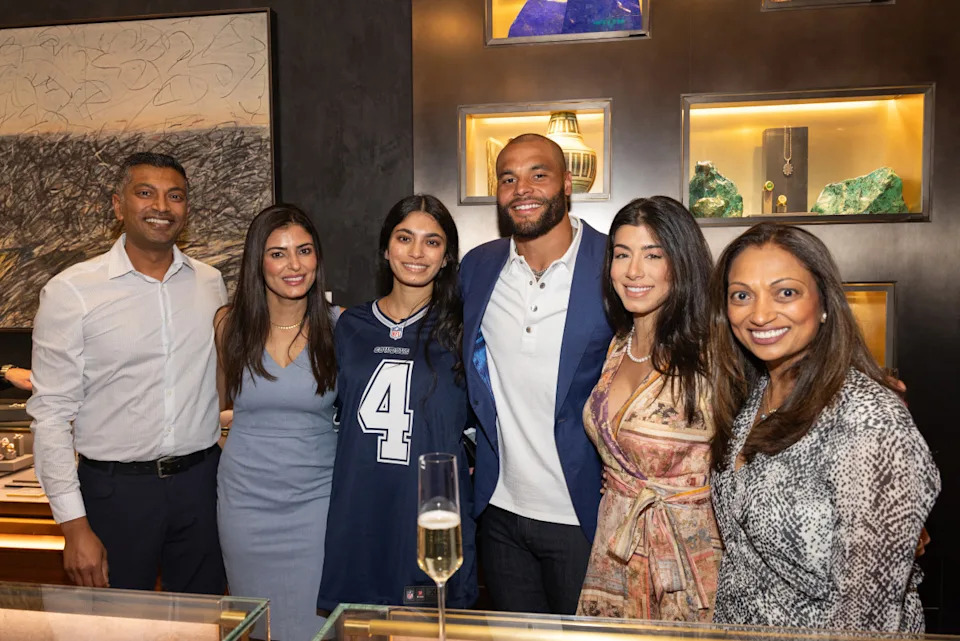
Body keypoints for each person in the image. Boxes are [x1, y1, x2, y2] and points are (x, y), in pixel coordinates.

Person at [707, 223, 940, 631]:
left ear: (825, 303)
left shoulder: (869, 420)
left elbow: (866, 617)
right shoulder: (755, 394)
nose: (760, 314)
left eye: (786, 292)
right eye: (741, 295)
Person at [29, 152, 227, 592]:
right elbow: (51, 414)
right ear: (118, 205)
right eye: (146, 193)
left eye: (175, 196)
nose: (162, 206)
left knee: (206, 622)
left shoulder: (210, 283)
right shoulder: (71, 292)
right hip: (115, 496)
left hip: (202, 486)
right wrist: (74, 527)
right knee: (115, 625)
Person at [460, 134, 613, 614]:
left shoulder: (614, 264)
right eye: (508, 178)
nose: (521, 189)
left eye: (538, 174)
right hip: (499, 512)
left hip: (582, 514)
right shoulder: (478, 267)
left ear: (568, 183)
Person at [317, 194, 477, 611]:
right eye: (405, 238)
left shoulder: (462, 329)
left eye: (432, 242)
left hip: (431, 519)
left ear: (446, 258)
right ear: (386, 248)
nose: (417, 253)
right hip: (360, 511)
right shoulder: (350, 326)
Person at [576, 197, 721, 620]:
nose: (633, 271)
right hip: (614, 554)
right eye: (622, 254)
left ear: (680, 262)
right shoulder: (617, 346)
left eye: (652, 255)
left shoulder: (716, 352)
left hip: (688, 566)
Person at [215, 204, 338, 641]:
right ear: (257, 261)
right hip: (245, 506)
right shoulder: (229, 325)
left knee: (316, 626)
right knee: (257, 624)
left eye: (304, 251)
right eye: (278, 253)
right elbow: (220, 410)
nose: (294, 265)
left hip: (317, 505)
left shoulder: (339, 329)